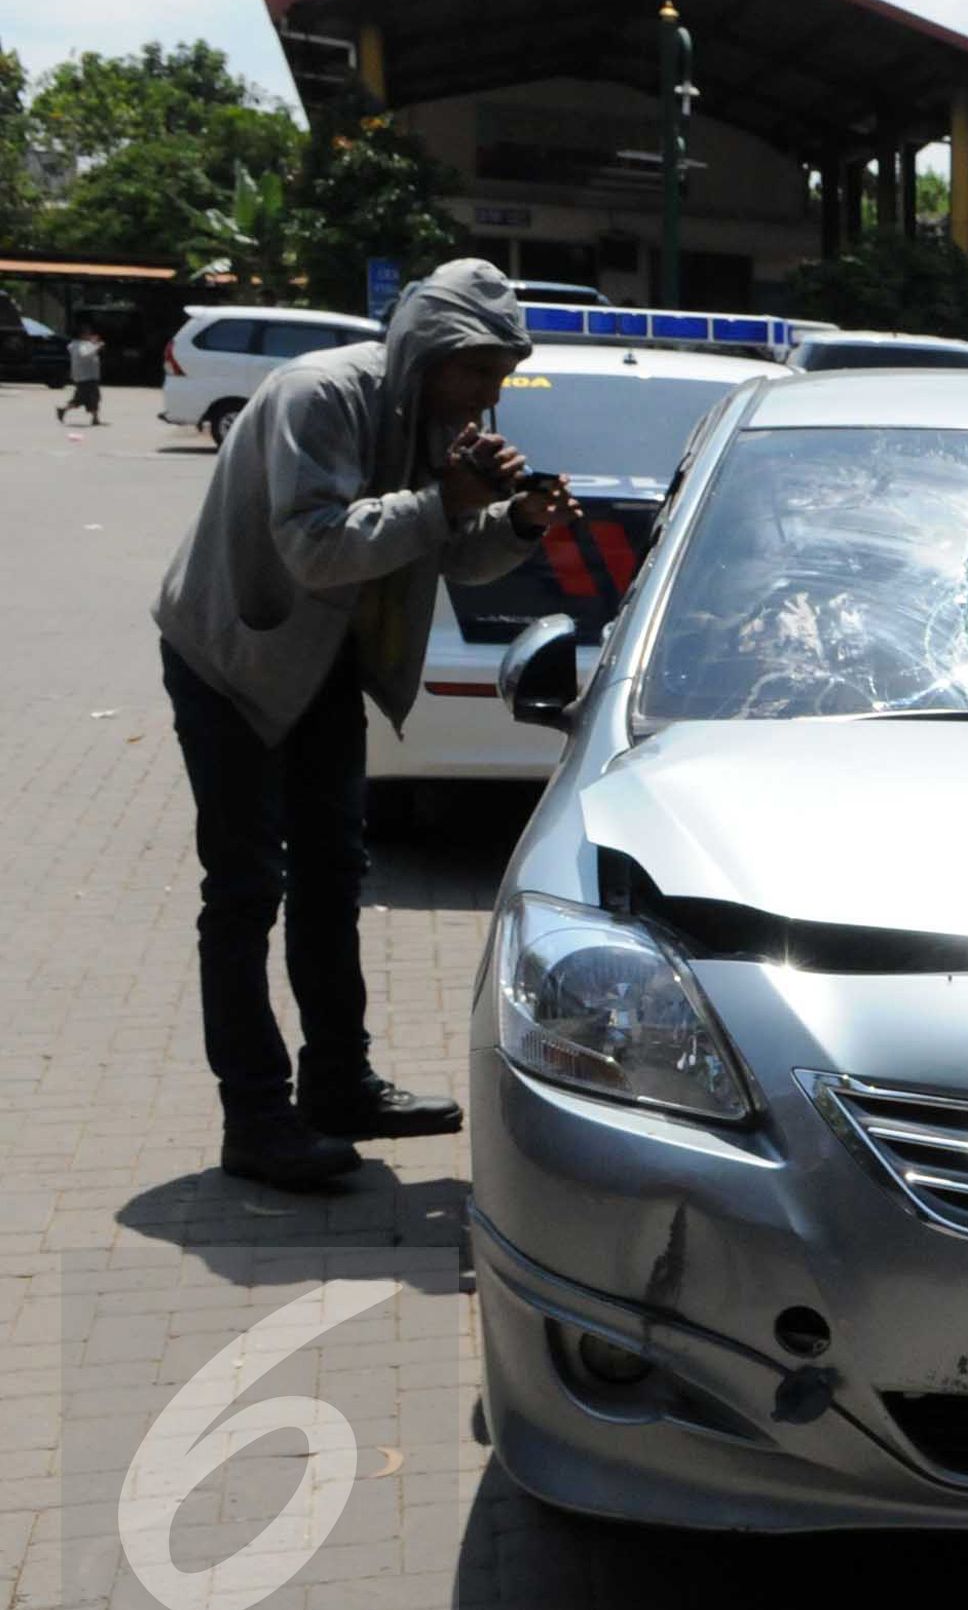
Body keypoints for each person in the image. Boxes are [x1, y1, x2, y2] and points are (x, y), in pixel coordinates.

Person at [152, 259, 580, 1190]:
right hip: (232, 659)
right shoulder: (319, 396)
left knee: (333, 875)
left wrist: (513, 519)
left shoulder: (435, 421)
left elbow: (448, 557)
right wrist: (444, 501)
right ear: (429, 347)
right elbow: (317, 548)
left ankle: (338, 1085)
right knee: (243, 890)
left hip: (321, 665)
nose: (489, 396)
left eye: (502, 376)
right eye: (479, 371)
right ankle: (256, 1119)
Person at [53, 325, 102, 425]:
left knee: (83, 397)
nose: (89, 335)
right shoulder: (80, 345)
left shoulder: (76, 344)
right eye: (87, 333)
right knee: (92, 397)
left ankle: (63, 410)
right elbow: (85, 354)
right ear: (82, 335)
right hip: (86, 376)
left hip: (84, 376)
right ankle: (94, 418)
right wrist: (95, 345)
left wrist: (93, 344)